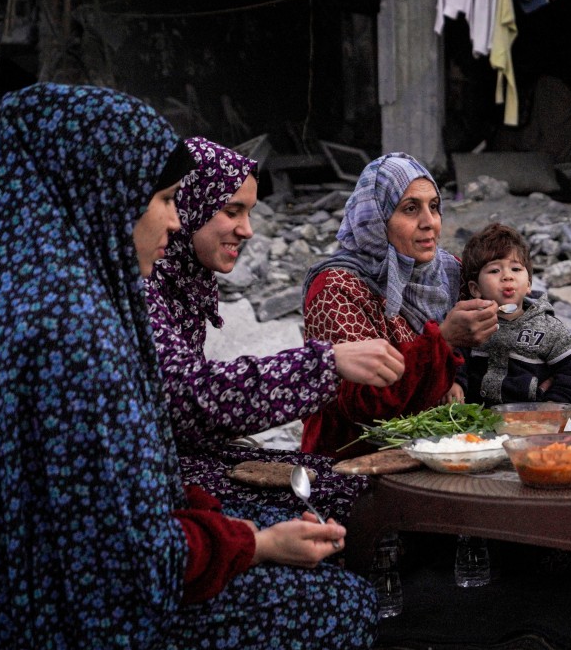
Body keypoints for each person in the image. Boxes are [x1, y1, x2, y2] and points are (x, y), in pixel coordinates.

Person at [0, 83, 376, 650]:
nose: (174, 218)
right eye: (164, 199)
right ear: (101, 195)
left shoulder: (17, 291)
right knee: (339, 603)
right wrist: (251, 542)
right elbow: (130, 560)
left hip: (45, 602)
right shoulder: (73, 335)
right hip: (74, 633)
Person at [146, 136, 405, 515]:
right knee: (353, 499)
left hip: (185, 457)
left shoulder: (187, 281)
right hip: (160, 478)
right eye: (232, 211)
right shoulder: (143, 284)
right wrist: (324, 364)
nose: (248, 230)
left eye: (435, 209)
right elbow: (188, 397)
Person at [300, 152, 498, 455]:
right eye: (410, 209)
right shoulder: (335, 289)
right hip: (354, 460)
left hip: (441, 447)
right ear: (376, 219)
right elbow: (363, 404)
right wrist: (443, 341)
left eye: (434, 207)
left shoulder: (449, 272)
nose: (429, 223)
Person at [451, 222, 571, 405]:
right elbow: (456, 358)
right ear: (475, 289)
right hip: (477, 423)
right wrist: (455, 382)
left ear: (529, 284)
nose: (508, 276)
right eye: (494, 270)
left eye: (516, 269)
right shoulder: (472, 325)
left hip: (532, 423)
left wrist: (555, 406)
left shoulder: (548, 328)